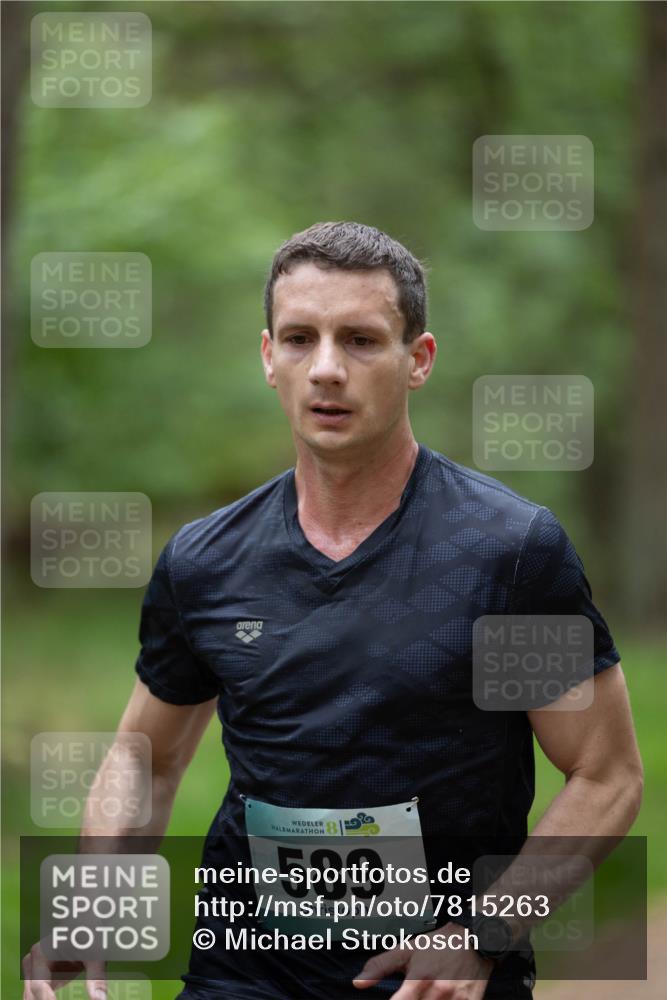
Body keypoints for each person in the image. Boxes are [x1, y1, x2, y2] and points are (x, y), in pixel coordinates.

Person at [23, 222, 643, 1000]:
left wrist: (483, 935)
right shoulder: (208, 561)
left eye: (359, 340)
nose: (325, 368)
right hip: (240, 974)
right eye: (298, 339)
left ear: (417, 360)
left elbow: (603, 774)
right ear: (267, 357)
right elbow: (144, 758)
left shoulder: (503, 554)